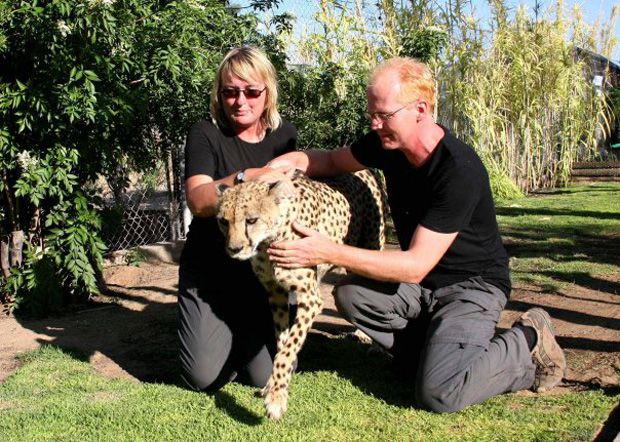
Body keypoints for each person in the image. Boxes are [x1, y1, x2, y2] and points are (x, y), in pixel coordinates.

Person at [265, 57, 566, 413]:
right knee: (352, 295)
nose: (374, 124)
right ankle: (430, 356)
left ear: (420, 109)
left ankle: (527, 341)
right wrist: (284, 164)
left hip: (471, 286)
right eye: (371, 114)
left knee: (439, 394)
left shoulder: (458, 170)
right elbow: (331, 161)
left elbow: (414, 266)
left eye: (384, 115)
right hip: (424, 289)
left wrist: (327, 251)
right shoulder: (387, 144)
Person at [178, 46, 297, 392]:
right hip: (212, 270)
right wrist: (246, 176)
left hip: (263, 273)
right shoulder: (205, 133)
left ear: (267, 92)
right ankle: (221, 337)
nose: (240, 101)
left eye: (251, 91)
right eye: (230, 91)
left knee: (266, 375)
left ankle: (243, 338)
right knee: (202, 377)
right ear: (220, 94)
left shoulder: (284, 136)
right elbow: (199, 201)